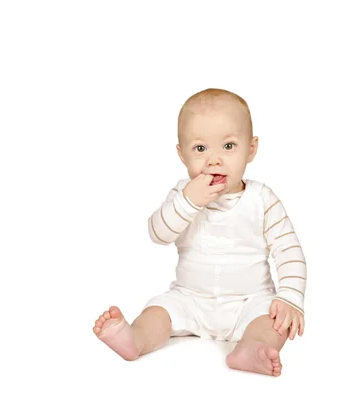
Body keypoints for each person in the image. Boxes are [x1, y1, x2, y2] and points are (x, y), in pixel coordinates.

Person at [93, 88, 307, 377]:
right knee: (158, 312)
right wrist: (189, 201)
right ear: (182, 154)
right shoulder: (183, 195)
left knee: (274, 322)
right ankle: (135, 339)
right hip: (189, 299)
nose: (214, 160)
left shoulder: (262, 199)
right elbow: (158, 233)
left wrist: (290, 297)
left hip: (250, 300)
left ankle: (252, 348)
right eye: (200, 149)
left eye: (228, 146)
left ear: (251, 149)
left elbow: (289, 251)